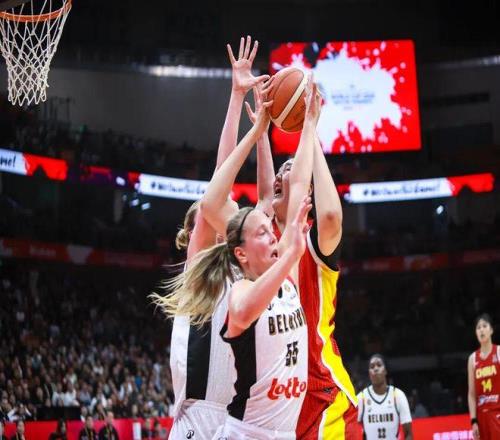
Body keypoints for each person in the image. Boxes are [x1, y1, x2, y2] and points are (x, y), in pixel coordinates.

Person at [203, 71, 357, 439]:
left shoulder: (310, 242)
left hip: (320, 393)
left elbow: (330, 214)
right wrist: (260, 131)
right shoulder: (262, 242)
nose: (281, 174)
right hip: (272, 406)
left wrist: (309, 129)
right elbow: (224, 203)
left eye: (290, 168)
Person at [151, 36, 270, 440]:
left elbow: (257, 198)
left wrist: (261, 130)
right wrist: (237, 98)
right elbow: (220, 181)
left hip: (234, 416)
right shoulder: (200, 267)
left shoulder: (240, 265)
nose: (229, 207)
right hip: (198, 418)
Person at [357, 354, 412, 440]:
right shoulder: (361, 398)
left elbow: (408, 433)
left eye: (379, 365)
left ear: (385, 370)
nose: (375, 369)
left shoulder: (398, 395)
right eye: (372, 367)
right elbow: (352, 429)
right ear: (369, 373)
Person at [467, 313, 500, 440]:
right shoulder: (472, 359)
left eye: (484, 326)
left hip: (497, 412)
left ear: (491, 330)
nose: (481, 330)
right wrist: (473, 421)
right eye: (478, 327)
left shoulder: (498, 352)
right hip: (481, 418)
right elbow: (471, 394)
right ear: (476, 333)